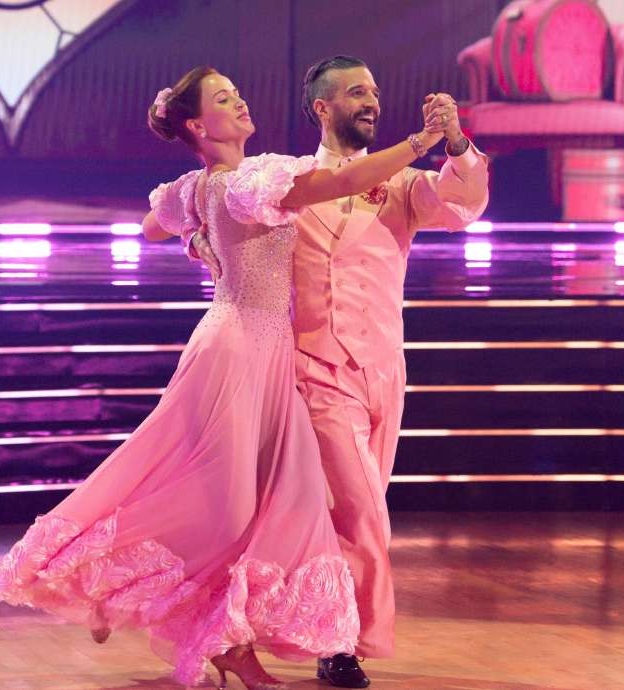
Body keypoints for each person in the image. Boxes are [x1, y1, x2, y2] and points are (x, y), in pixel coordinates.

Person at [0, 65, 448, 690]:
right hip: (241, 351)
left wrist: (202, 237)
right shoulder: (255, 180)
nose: (241, 101)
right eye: (226, 99)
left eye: (237, 92)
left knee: (275, 504)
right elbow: (348, 177)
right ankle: (124, 590)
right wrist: (419, 144)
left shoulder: (198, 187)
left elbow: (153, 226)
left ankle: (229, 637)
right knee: (226, 507)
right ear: (201, 125)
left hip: (252, 344)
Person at [185, 56, 490, 688]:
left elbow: (463, 206)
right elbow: (226, 229)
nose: (371, 101)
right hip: (316, 368)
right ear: (323, 108)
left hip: (382, 365)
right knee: (359, 510)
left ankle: (282, 627)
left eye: (374, 91)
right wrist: (206, 243)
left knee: (361, 506)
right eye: (356, 92)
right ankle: (342, 642)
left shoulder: (403, 183)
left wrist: (455, 144)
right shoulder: (290, 181)